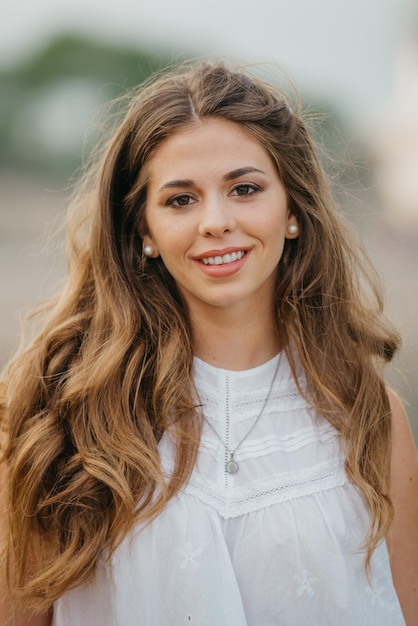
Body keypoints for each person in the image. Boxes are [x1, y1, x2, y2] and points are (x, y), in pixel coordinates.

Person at [0, 60, 417, 626]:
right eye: (180, 199)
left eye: (244, 189)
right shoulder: (60, 417)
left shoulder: (370, 417)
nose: (216, 221)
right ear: (143, 230)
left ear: (292, 209)